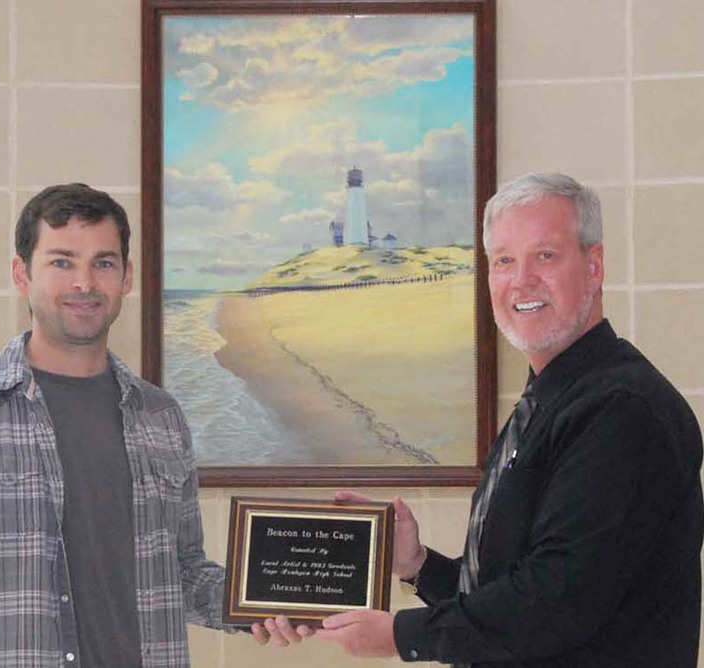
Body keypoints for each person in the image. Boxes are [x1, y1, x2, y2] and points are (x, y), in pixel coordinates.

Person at [253, 173, 704, 666]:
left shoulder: (621, 411)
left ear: (594, 267)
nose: (521, 280)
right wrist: (417, 565)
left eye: (545, 256)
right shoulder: (547, 404)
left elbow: (555, 601)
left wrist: (399, 636)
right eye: (504, 261)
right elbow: (505, 592)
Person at [0, 184, 226, 667]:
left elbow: (183, 574)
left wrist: (275, 599)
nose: (84, 283)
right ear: (21, 273)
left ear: (127, 276)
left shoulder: (161, 417)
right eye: (61, 262)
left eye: (103, 262)